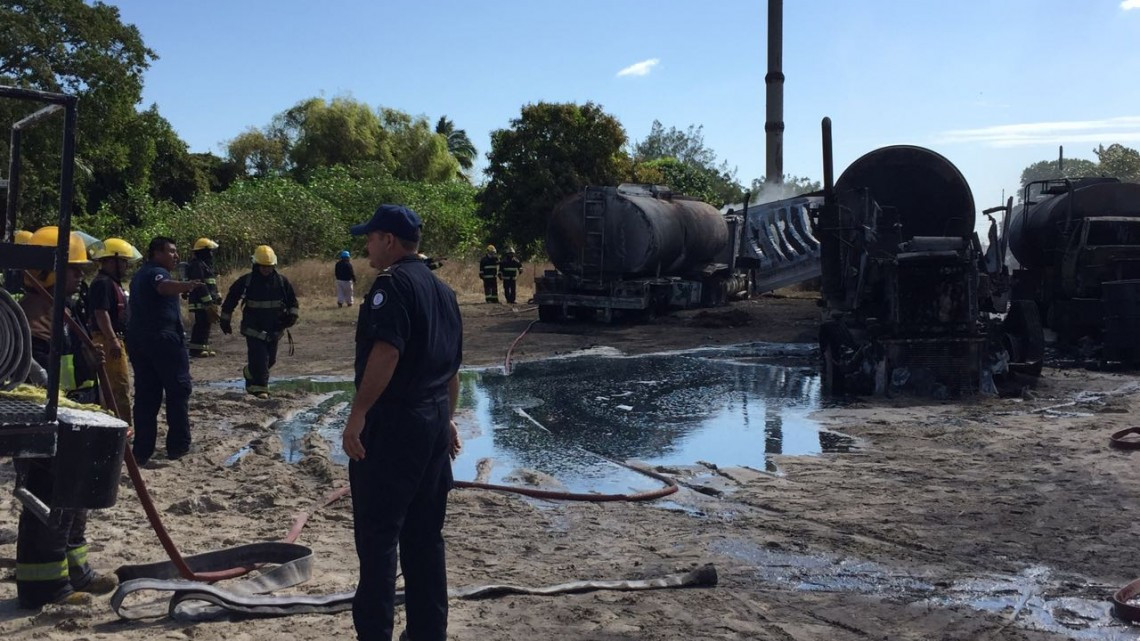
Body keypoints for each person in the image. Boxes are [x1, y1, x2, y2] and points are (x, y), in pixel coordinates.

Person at [343, 204, 463, 641]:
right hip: (432, 424)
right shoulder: (443, 291)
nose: (367, 246)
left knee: (378, 540)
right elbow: (451, 369)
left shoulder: (391, 286)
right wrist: (447, 419)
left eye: (370, 238)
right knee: (425, 539)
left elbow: (386, 353)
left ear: (389, 240)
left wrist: (357, 414)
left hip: (394, 426)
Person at [16, 226, 116, 608]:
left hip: (74, 419)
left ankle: (77, 571)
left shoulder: (59, 311)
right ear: (48, 270)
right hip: (51, 422)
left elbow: (68, 365)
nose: (81, 276)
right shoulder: (32, 316)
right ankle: (45, 587)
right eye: (74, 269)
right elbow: (33, 375)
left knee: (74, 499)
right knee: (50, 499)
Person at [127, 236, 204, 465]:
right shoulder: (156, 273)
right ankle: (178, 447)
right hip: (163, 340)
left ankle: (142, 450)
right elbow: (163, 286)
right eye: (171, 251)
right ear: (156, 253)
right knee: (178, 390)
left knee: (146, 396)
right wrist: (186, 286)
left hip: (139, 340)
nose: (176, 256)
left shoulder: (138, 275)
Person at [219, 245, 299, 399]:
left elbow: (293, 303)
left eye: (269, 267)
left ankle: (249, 372)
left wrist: (292, 317)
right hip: (253, 328)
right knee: (260, 359)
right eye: (263, 266)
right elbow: (231, 299)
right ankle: (260, 389)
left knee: (271, 360)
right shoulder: (247, 281)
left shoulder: (282, 282)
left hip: (275, 329)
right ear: (256, 265)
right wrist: (225, 319)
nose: (266, 270)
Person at [87, 237, 141, 425]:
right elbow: (101, 312)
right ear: (111, 260)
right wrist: (112, 340)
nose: (126, 267)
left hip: (113, 339)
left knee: (118, 386)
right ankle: (120, 429)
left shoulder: (111, 282)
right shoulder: (103, 283)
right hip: (107, 340)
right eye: (123, 262)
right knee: (117, 387)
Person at [185, 237, 221, 357]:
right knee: (201, 325)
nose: (211, 254)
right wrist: (208, 301)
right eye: (209, 251)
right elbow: (200, 285)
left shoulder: (205, 265)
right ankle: (195, 350)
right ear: (203, 252)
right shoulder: (196, 265)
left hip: (208, 301)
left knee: (206, 324)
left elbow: (211, 283)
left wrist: (217, 296)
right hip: (201, 302)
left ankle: (203, 348)